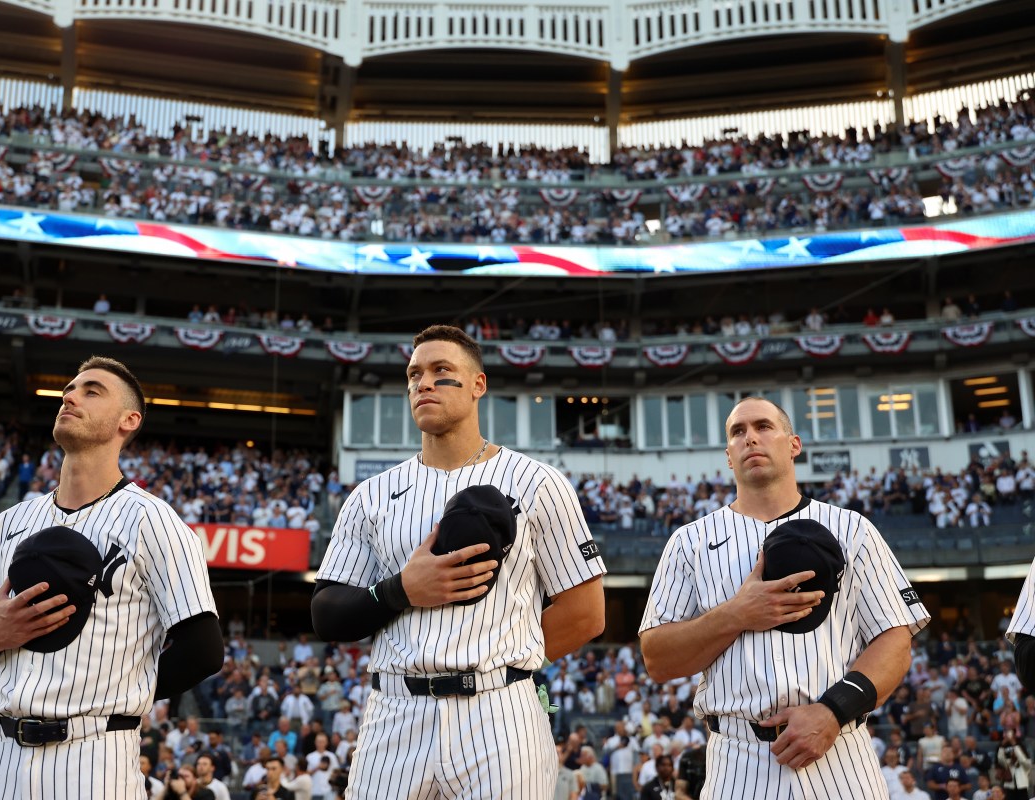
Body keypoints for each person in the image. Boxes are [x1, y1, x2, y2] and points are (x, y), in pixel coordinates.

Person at [312, 324, 607, 799]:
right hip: (395, 712)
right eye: (414, 374)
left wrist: (504, 664)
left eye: (440, 370)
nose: (423, 383)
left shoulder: (538, 482)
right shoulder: (371, 494)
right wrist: (401, 591)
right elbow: (326, 613)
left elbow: (586, 613)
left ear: (477, 384)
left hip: (500, 716)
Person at [0, 356, 224, 798]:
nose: (70, 397)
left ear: (128, 420)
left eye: (91, 391)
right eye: (68, 391)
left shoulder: (153, 521)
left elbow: (204, 650)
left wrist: (116, 694)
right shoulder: (11, 521)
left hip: (94, 754)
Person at [639, 396, 931, 800]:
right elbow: (657, 659)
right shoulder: (688, 542)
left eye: (763, 426)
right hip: (737, 758)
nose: (750, 438)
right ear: (728, 456)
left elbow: (895, 641)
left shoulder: (852, 529)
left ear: (794, 445)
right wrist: (737, 614)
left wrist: (833, 711)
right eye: (737, 432)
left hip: (840, 749)